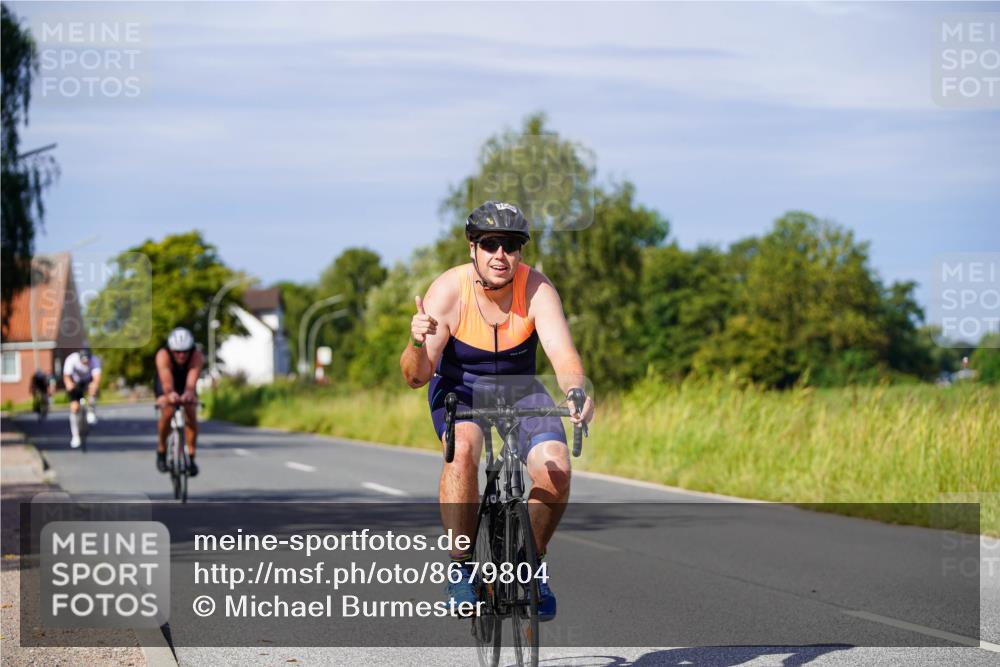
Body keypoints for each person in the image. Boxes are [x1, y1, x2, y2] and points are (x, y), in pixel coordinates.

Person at [400, 201, 595, 621]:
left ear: (521, 251)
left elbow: (563, 355)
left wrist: (576, 391)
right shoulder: (449, 291)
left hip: (520, 390)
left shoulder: (537, 289)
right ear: (473, 247)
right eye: (490, 244)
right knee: (463, 449)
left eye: (511, 245)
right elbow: (415, 377)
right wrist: (416, 342)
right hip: (461, 389)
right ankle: (461, 568)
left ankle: (529, 565)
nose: (500, 255)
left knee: (557, 468)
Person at [154, 327, 205, 476]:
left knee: (190, 412)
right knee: (168, 410)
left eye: (185, 351)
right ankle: (162, 449)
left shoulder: (197, 356)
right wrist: (169, 394)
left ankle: (191, 456)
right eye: (177, 352)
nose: (181, 355)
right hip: (166, 382)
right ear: (171, 349)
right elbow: (166, 382)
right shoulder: (163, 355)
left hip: (186, 382)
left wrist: (189, 393)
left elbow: (191, 381)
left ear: (191, 349)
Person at [62, 347, 102, 448]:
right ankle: (75, 436)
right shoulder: (71, 359)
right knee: (74, 408)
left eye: (87, 361)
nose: (85, 363)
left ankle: (91, 411)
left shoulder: (95, 360)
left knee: (93, 387)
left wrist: (94, 384)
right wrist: (69, 384)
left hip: (88, 381)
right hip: (75, 383)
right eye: (83, 361)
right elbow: (66, 376)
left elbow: (97, 378)